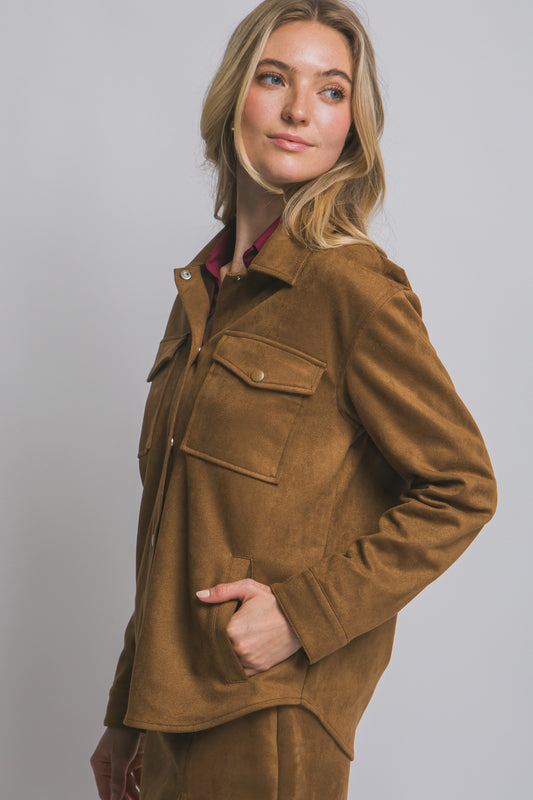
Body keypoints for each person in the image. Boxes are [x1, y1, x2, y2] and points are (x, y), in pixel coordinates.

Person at [90, 1, 497, 798]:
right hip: (169, 718)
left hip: (268, 715)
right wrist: (125, 710)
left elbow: (461, 488)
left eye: (331, 90)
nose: (299, 110)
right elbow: (178, 525)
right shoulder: (204, 293)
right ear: (232, 98)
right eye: (274, 78)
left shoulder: (353, 290)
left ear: (351, 127)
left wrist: (302, 616)